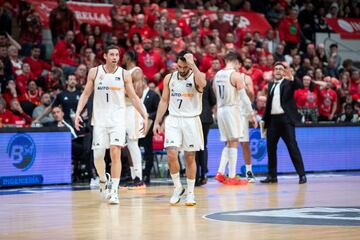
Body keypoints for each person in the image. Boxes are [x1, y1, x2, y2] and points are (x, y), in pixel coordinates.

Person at [74, 45, 148, 204]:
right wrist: (78, 113)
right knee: (98, 156)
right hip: (99, 120)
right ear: (105, 56)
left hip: (117, 120)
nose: (115, 57)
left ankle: (114, 191)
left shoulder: (124, 74)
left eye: (117, 54)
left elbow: (134, 97)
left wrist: (144, 115)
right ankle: (102, 179)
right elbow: (86, 94)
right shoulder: (94, 72)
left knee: (115, 152)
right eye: (112, 54)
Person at [153, 51, 206, 206]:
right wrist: (157, 121)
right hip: (173, 119)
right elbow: (164, 100)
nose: (182, 70)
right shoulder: (170, 78)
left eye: (185, 67)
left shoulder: (196, 75)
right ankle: (177, 187)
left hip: (191, 120)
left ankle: (190, 192)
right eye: (179, 66)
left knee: (190, 156)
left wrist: (193, 65)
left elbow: (202, 84)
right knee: (171, 153)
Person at [213, 52, 256, 185]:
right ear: (236, 61)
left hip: (220, 110)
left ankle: (221, 172)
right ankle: (232, 177)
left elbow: (215, 92)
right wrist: (251, 115)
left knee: (229, 142)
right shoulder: (236, 75)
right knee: (235, 142)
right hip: (232, 109)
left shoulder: (217, 74)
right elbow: (244, 98)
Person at [261, 62, 307, 184]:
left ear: (284, 72)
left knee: (292, 147)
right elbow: (268, 105)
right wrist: (264, 120)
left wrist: (291, 76)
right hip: (272, 121)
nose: (278, 71)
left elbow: (300, 85)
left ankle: (302, 175)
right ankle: (272, 176)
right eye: (276, 69)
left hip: (286, 120)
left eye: (280, 69)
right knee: (271, 149)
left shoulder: (289, 83)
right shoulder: (270, 84)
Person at [123, 50, 146, 189]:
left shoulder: (136, 71)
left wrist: (119, 90)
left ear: (128, 57)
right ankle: (133, 177)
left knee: (133, 143)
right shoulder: (124, 72)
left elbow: (138, 93)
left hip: (133, 109)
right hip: (123, 110)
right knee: (127, 145)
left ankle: (139, 177)